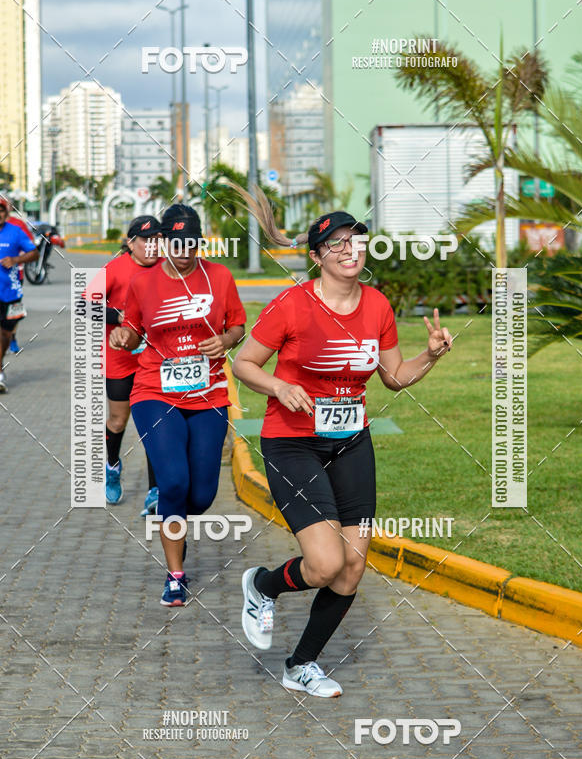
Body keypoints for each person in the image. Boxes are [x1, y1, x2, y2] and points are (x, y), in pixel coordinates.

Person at [231, 188, 452, 698]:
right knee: (325, 563)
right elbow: (244, 364)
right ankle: (262, 585)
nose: (350, 250)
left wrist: (431, 355)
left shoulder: (376, 305)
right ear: (317, 257)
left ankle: (301, 664)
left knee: (352, 565)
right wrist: (279, 386)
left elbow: (393, 377)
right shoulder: (292, 304)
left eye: (356, 240)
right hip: (292, 442)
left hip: (351, 442)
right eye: (337, 244)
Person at [109, 204, 246, 606]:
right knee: (172, 482)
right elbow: (133, 330)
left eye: (191, 242)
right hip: (155, 392)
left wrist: (225, 341)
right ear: (163, 242)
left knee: (200, 496)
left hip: (209, 396)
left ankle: (173, 516)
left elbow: (237, 325)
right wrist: (122, 339)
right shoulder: (142, 282)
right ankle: (175, 574)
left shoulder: (219, 277)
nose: (184, 249)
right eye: (175, 241)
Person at [89, 215, 161, 506]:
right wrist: (118, 316)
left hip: (155, 361)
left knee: (155, 425)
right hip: (119, 360)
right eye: (146, 240)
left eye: (157, 240)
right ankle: (112, 466)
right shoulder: (115, 269)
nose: (152, 246)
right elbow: (85, 306)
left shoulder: (167, 269)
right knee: (118, 421)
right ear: (131, 243)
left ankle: (155, 490)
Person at [0, 198, 38, 392]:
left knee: (6, 333)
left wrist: (15, 259)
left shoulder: (15, 231)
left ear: (6, 213)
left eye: (1, 210)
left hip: (13, 291)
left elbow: (35, 253)